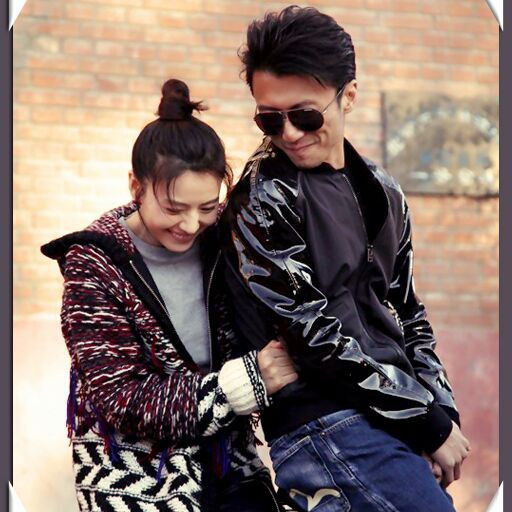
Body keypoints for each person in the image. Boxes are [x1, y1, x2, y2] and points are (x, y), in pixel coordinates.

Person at [220, 6, 471, 511]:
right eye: (269, 119)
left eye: (305, 115)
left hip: (393, 415)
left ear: (348, 96)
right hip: (323, 420)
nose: (289, 133)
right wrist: (424, 421)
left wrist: (440, 413)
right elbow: (310, 335)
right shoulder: (264, 196)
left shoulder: (384, 191)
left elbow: (407, 312)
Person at [41, 78, 297, 512]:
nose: (191, 225)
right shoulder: (94, 265)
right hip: (138, 482)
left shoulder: (226, 241)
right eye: (173, 208)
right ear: (136, 187)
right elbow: (123, 398)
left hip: (229, 465)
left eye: (207, 206)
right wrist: (247, 382)